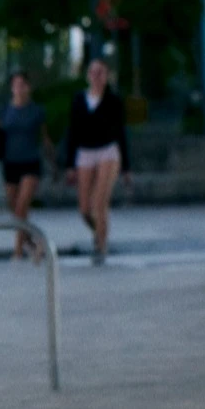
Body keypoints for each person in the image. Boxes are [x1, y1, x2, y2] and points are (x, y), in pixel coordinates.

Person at [62, 58, 130, 266]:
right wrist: (70, 164)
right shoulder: (79, 100)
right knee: (85, 209)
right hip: (85, 152)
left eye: (101, 72)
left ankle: (101, 244)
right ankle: (99, 230)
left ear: (107, 76)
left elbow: (121, 133)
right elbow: (72, 131)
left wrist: (127, 167)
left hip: (107, 151)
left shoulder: (114, 101)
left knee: (99, 203)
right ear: (88, 75)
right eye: (93, 72)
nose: (97, 76)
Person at [0, 71, 49, 262]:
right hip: (10, 162)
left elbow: (44, 138)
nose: (18, 88)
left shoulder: (36, 111)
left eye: (22, 84)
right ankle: (33, 242)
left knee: (21, 206)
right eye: (15, 85)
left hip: (30, 162)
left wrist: (54, 162)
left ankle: (17, 250)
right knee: (15, 208)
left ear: (28, 87)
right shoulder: (5, 110)